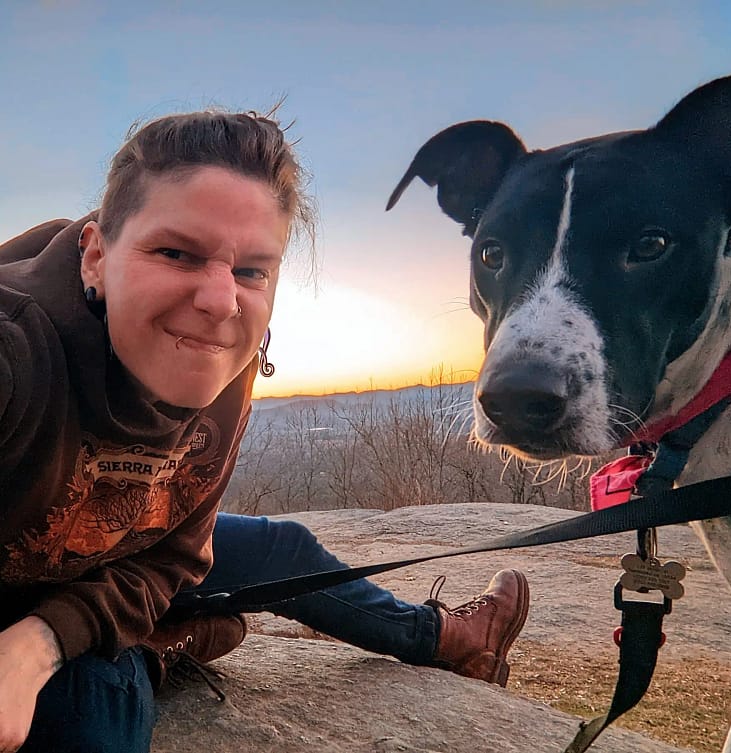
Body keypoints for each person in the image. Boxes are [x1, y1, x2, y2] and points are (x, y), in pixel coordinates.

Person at [0, 110, 530, 753]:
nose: (221, 302)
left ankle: (448, 640)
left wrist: (43, 641)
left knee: (282, 549)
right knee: (97, 717)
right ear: (95, 255)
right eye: (175, 252)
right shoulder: (17, 356)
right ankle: (173, 641)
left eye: (252, 269)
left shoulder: (224, 352)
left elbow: (175, 554)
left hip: (106, 553)